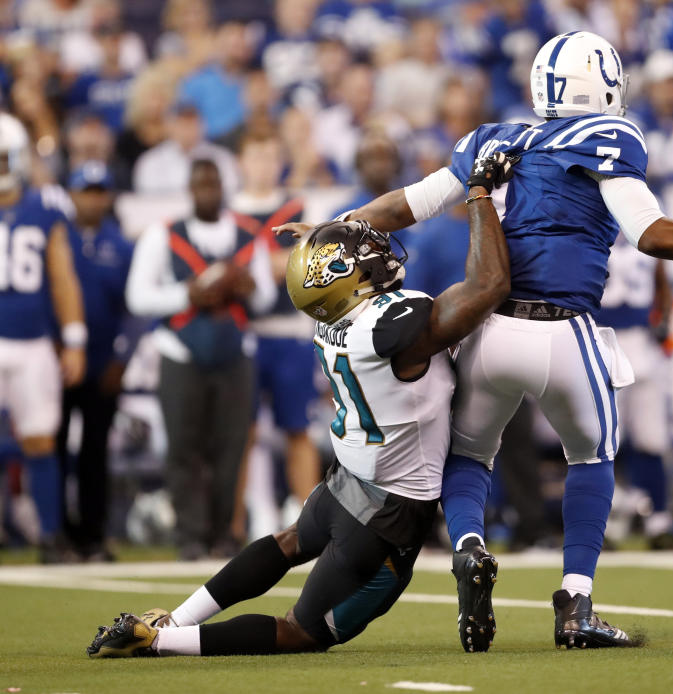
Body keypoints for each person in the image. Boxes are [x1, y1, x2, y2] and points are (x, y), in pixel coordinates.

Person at [305, 31, 673, 651]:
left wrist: (339, 227)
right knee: (591, 459)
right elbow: (650, 234)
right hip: (568, 334)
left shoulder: (494, 139)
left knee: (469, 458)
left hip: (490, 331)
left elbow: (408, 205)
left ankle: (468, 547)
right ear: (604, 85)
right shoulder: (610, 138)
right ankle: (575, 602)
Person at [86, 152, 514, 658]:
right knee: (302, 632)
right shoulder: (394, 326)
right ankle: (161, 641)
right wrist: (480, 195)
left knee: (290, 542)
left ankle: (175, 616)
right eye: (364, 255)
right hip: (389, 510)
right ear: (349, 279)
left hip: (347, 478)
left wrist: (325, 240)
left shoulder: (333, 319)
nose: (379, 253)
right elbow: (490, 285)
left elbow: (346, 288)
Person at [124, 159, 276, 560]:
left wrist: (246, 286)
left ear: (223, 186)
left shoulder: (248, 234)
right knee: (184, 446)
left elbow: (264, 298)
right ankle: (190, 533)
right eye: (200, 183)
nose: (207, 190)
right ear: (189, 189)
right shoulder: (164, 234)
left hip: (234, 353)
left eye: (213, 182)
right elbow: (137, 295)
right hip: (180, 352)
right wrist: (187, 295)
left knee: (231, 446)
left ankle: (225, 531)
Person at [0, 113, 86, 562]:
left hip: (33, 340)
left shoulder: (44, 207)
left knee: (40, 439)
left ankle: (50, 535)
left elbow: (63, 277)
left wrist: (73, 339)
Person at [231, 131, 319, 529]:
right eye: (256, 156)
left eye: (271, 157)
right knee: (242, 431)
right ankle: (248, 518)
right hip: (245, 332)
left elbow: (304, 263)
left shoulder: (296, 205)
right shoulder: (230, 211)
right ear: (241, 162)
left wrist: (254, 264)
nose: (263, 166)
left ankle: (308, 518)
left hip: (289, 331)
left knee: (297, 428)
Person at [55, 161, 134, 561]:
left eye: (99, 191)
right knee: (52, 449)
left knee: (95, 452)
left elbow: (132, 309)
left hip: (102, 364)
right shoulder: (57, 237)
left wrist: (121, 357)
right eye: (85, 191)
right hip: (60, 361)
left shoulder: (119, 244)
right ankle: (56, 535)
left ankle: (93, 534)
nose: (92, 198)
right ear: (72, 194)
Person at [597, 237, 673, 548]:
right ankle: (606, 524)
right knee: (603, 442)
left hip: (641, 343)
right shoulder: (591, 217)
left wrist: (664, 317)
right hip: (604, 340)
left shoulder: (643, 219)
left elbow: (661, 278)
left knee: (652, 439)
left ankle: (659, 521)